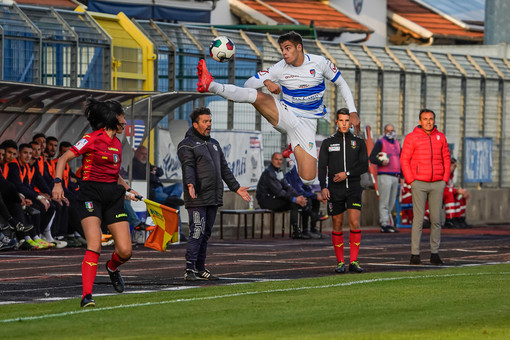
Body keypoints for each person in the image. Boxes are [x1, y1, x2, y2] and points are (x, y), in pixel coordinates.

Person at [196, 31, 360, 184]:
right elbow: (249, 85)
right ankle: (211, 84)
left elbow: (341, 83)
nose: (284, 53)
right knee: (256, 96)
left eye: (287, 48)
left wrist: (352, 111)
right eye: (282, 49)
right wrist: (267, 82)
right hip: (286, 114)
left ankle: (293, 151)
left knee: (308, 179)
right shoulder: (279, 68)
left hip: (308, 123)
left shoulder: (319, 63)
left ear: (299, 47)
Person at [53, 98, 141, 307]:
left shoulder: (118, 143)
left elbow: (114, 174)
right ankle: (87, 296)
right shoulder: (90, 139)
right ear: (112, 117)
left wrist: (128, 190)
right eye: (122, 116)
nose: (124, 121)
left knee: (126, 251)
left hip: (113, 196)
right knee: (95, 244)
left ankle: (111, 268)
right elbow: (63, 158)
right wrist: (57, 183)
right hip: (90, 195)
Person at [177, 107, 250, 281]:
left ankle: (200, 268)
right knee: (197, 231)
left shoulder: (214, 144)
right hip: (197, 197)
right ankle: (189, 269)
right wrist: (190, 184)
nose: (209, 124)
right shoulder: (186, 144)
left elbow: (224, 169)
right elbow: (188, 166)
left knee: (206, 233)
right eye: (205, 121)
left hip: (213, 197)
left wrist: (236, 188)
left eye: (210, 121)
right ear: (195, 124)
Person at [318, 108, 368, 274]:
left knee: (354, 222)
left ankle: (354, 261)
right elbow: (321, 167)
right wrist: (323, 187)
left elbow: (364, 166)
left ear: (350, 122)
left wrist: (346, 174)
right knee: (337, 224)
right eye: (341, 121)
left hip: (353, 188)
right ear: (336, 122)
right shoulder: (328, 142)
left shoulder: (359, 142)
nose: (345, 124)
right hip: (335, 190)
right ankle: (340, 262)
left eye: (347, 121)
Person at [400, 109, 450, 266]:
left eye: (431, 119)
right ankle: (415, 254)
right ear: (420, 121)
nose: (428, 121)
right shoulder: (411, 137)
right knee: (418, 220)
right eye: (425, 119)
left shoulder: (440, 137)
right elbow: (404, 159)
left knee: (436, 220)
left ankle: (434, 253)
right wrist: (411, 181)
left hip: (437, 183)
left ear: (434, 120)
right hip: (419, 183)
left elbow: (447, 158)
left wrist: (444, 179)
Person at [257, 152, 308, 239]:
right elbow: (279, 192)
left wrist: (299, 197)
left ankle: (306, 230)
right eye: (276, 159)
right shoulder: (269, 173)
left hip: (275, 199)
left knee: (303, 201)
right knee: (294, 203)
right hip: (266, 200)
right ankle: (296, 231)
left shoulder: (279, 172)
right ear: (271, 160)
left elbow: (288, 187)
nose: (279, 161)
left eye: (280, 159)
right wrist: (294, 199)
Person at [284, 154, 328, 239]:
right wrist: (315, 196)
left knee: (314, 199)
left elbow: (307, 189)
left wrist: (317, 196)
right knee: (307, 200)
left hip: (299, 197)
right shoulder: (293, 173)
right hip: (290, 199)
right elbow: (298, 191)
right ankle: (304, 230)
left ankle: (313, 228)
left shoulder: (302, 173)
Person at [369, 123, 401, 233]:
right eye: (388, 130)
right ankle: (384, 223)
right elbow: (372, 158)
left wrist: (402, 175)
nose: (390, 133)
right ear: (384, 132)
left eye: (392, 130)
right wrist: (381, 161)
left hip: (395, 175)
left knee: (392, 201)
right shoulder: (380, 142)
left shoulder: (397, 143)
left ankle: (388, 222)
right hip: (385, 175)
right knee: (385, 201)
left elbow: (400, 159)